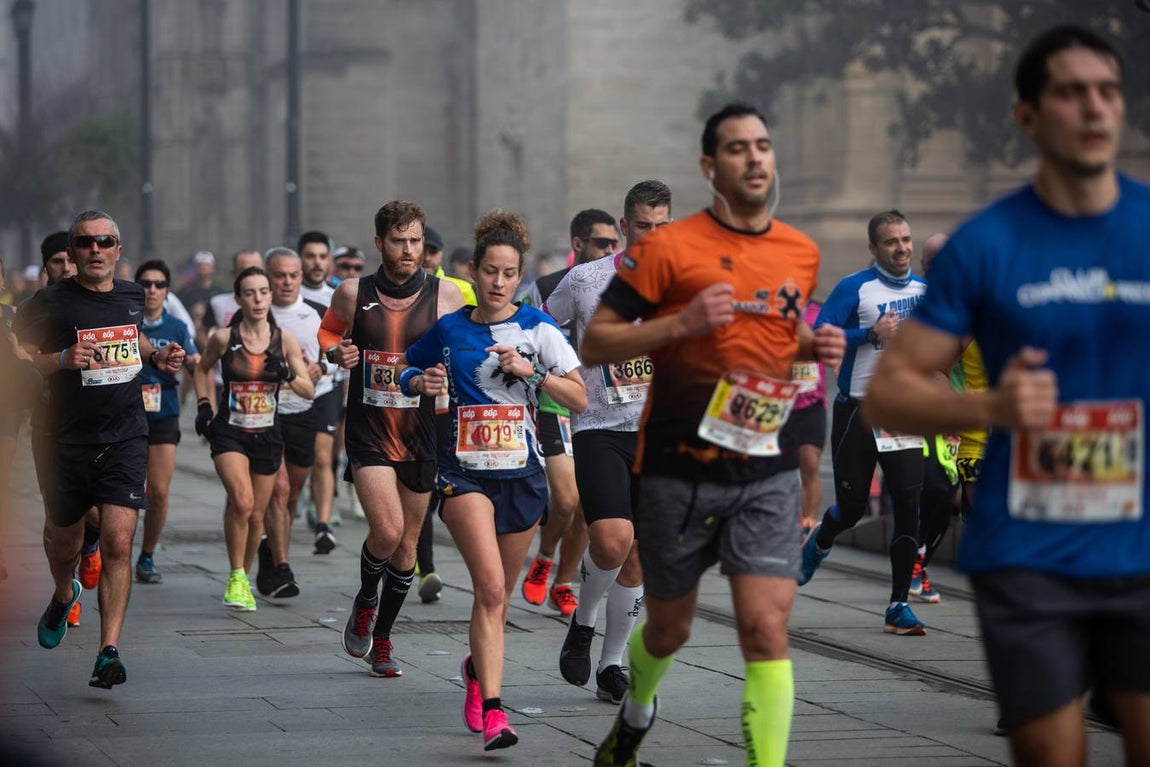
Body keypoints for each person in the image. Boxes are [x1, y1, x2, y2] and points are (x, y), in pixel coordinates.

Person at [864, 26, 1150, 767]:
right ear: (1027, 115)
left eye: (1108, 91)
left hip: (1140, 542)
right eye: (1070, 92)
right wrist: (993, 409)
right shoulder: (988, 247)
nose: (1094, 108)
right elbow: (888, 396)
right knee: (1051, 751)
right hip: (1027, 548)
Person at [582, 103, 844, 767]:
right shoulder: (669, 249)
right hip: (679, 465)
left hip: (765, 462)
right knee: (669, 627)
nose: (755, 157)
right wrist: (680, 323)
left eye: (763, 145)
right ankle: (635, 712)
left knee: (764, 626)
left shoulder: (800, 250)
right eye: (737, 148)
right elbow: (597, 339)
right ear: (710, 167)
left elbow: (775, 341)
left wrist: (814, 343)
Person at [403, 209, 587, 751]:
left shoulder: (538, 328)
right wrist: (423, 378)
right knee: (487, 589)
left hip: (523, 476)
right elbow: (406, 369)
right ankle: (495, 713)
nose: (500, 281)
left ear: (518, 274)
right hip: (463, 476)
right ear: (475, 270)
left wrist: (535, 373)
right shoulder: (450, 328)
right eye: (490, 271)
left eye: (509, 273)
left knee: (498, 601)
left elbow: (578, 397)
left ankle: (475, 669)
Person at [14, 209, 186, 688]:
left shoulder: (132, 295)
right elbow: (15, 355)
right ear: (72, 252)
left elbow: (137, 338)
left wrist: (158, 355)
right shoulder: (47, 303)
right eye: (86, 243)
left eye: (105, 242)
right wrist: (61, 359)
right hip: (61, 439)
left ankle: (108, 650)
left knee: (117, 543)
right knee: (64, 541)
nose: (95, 251)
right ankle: (61, 592)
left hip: (125, 435)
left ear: (118, 249)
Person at [322, 201, 464, 677]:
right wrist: (335, 352)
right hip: (368, 429)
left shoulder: (446, 296)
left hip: (421, 432)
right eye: (399, 241)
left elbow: (464, 348)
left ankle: (382, 638)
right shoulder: (351, 292)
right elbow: (328, 332)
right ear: (379, 242)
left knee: (406, 545)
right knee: (386, 531)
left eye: (416, 241)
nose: (408, 250)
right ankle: (365, 598)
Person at [545, 180, 671, 704]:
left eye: (663, 227)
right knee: (613, 541)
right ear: (624, 228)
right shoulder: (586, 279)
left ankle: (612, 662)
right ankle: (585, 618)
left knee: (639, 556)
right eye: (644, 226)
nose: (654, 236)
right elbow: (543, 327)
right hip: (598, 427)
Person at [802, 209, 930, 636]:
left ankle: (898, 604)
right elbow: (820, 336)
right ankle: (822, 538)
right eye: (892, 242)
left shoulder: (926, 292)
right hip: (857, 410)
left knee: (908, 508)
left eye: (907, 239)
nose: (902, 248)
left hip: (902, 413)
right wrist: (868, 335)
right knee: (853, 508)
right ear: (874, 248)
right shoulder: (854, 288)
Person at [193, 266, 314, 611]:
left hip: (268, 433)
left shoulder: (283, 340)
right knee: (242, 501)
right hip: (230, 431)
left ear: (270, 296)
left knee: (257, 514)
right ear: (238, 299)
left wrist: (288, 373)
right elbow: (202, 369)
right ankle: (234, 575)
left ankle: (242, 580)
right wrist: (204, 406)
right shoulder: (223, 338)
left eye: (263, 292)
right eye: (250, 292)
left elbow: (307, 390)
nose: (258, 299)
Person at [518, 208, 619, 617]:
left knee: (586, 508)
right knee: (566, 500)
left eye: (615, 243)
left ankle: (563, 580)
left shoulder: (621, 287)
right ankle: (543, 557)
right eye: (601, 243)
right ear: (578, 244)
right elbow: (522, 330)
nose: (610, 250)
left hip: (601, 408)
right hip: (554, 402)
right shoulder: (547, 286)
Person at [255, 247, 332, 597]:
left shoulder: (317, 313)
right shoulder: (255, 311)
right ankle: (282, 568)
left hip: (303, 409)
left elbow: (338, 356)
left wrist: (323, 367)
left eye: (292, 275)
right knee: (280, 489)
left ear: (301, 277)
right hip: (261, 414)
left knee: (292, 494)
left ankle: (268, 545)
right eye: (279, 275)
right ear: (268, 277)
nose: (286, 282)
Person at [135, 259, 202, 584]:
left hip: (164, 413)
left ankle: (147, 555)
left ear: (167, 290)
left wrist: (205, 403)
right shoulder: (125, 323)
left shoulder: (176, 326)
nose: (151, 290)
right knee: (118, 492)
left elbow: (195, 363)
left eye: (159, 284)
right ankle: (104, 546)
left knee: (158, 492)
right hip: (125, 414)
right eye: (146, 284)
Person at [296, 231, 342, 553]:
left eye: (322, 256)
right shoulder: (285, 294)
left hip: (327, 385)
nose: (316, 262)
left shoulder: (338, 299)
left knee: (324, 456)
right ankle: (290, 507)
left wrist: (325, 367)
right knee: (298, 460)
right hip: (287, 392)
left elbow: (348, 350)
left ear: (330, 261)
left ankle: (324, 525)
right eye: (310, 256)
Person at [790, 298, 828, 533]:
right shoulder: (774, 308)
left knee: (810, 461)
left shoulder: (820, 311)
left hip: (812, 401)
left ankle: (808, 523)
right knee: (778, 468)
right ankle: (786, 520)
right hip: (781, 400)